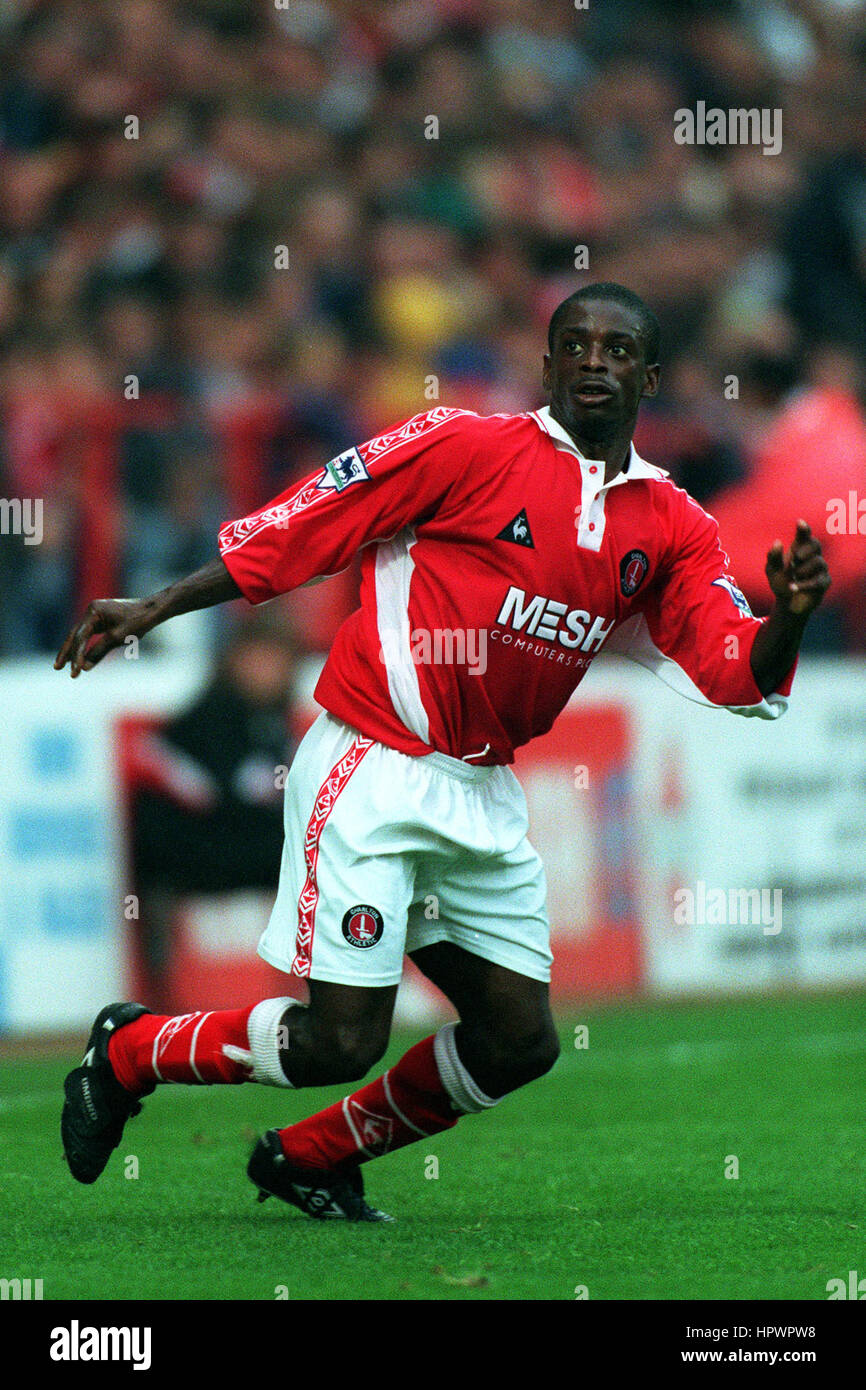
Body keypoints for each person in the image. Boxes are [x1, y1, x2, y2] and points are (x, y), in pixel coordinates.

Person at [55, 283, 831, 1223]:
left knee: (519, 1041)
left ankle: (310, 1156)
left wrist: (786, 616)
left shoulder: (670, 524)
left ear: (650, 377)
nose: (595, 361)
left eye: (618, 349)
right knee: (339, 1042)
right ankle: (130, 1051)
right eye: (575, 344)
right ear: (548, 366)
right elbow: (308, 523)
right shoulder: (463, 445)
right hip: (374, 760)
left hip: (480, 789)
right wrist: (156, 605)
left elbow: (732, 670)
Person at [127, 618, 299, 1001]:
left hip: (234, 847)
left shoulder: (272, 720)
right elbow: (218, 800)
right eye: (259, 660)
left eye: (277, 662)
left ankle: (324, 987)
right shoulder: (210, 717)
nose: (268, 672)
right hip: (192, 853)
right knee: (301, 852)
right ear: (234, 661)